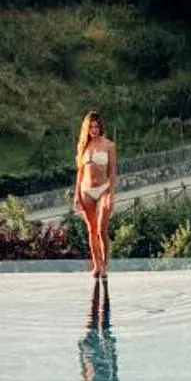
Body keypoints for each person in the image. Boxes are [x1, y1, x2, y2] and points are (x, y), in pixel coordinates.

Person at [73, 110, 117, 277]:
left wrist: (111, 194)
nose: (94, 129)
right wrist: (76, 194)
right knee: (91, 230)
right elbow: (80, 172)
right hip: (86, 190)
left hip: (103, 189)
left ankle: (105, 264)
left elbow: (112, 171)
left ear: (101, 127)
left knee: (101, 229)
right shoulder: (83, 146)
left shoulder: (109, 145)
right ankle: (97, 265)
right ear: (87, 128)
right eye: (91, 126)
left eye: (97, 126)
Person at [77, 276, 119, 381]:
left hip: (93, 353)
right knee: (101, 321)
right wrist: (112, 349)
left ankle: (101, 286)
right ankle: (102, 286)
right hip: (100, 354)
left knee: (96, 320)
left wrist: (80, 352)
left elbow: (84, 373)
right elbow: (114, 369)